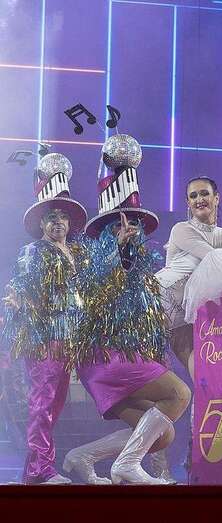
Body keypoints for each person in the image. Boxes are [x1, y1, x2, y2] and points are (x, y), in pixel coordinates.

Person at [61, 135, 191, 485]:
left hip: (127, 356)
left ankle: (83, 456)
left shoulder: (140, 266)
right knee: (179, 394)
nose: (127, 229)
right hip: (105, 355)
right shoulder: (95, 257)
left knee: (162, 435)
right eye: (119, 223)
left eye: (132, 223)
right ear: (107, 229)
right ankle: (126, 466)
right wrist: (116, 254)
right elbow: (93, 296)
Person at [2, 152, 88, 484]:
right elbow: (21, 285)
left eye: (63, 217)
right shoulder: (32, 251)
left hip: (70, 337)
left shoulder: (76, 254)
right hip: (44, 337)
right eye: (51, 217)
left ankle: (33, 472)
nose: (58, 223)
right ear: (41, 223)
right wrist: (18, 299)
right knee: (42, 402)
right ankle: (41, 469)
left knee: (53, 406)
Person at [156, 176, 222, 381]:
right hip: (165, 303)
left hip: (202, 310)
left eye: (204, 194)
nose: (199, 199)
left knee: (210, 369)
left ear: (216, 198)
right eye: (193, 196)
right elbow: (212, 257)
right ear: (188, 203)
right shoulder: (181, 229)